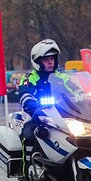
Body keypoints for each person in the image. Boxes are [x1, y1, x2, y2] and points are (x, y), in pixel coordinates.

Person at [18, 39, 66, 172]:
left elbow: (77, 90)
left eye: (52, 58)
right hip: (36, 117)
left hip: (62, 117)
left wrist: (89, 97)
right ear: (38, 61)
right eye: (46, 59)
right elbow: (25, 94)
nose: (50, 62)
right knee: (29, 136)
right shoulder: (30, 77)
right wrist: (30, 103)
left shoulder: (62, 77)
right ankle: (27, 172)